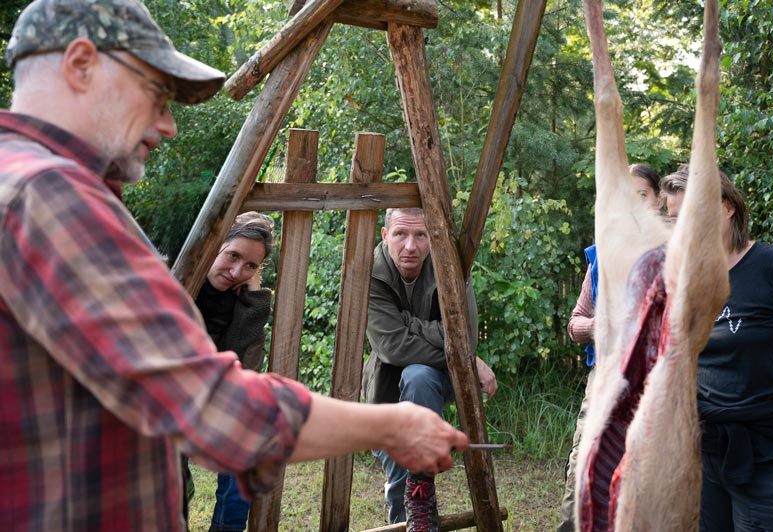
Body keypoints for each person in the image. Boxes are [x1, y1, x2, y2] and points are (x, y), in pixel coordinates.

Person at [0, 1, 467, 530]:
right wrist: (393, 426)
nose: (169, 125)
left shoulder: (18, 182)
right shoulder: (52, 199)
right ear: (81, 65)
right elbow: (209, 404)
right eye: (157, 95)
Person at [662, 165, 773, 531]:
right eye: (675, 220)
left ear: (727, 207)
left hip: (767, 455)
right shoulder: (687, 282)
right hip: (706, 453)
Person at [364, 207, 498, 531]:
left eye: (420, 235)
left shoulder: (448, 265)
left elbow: (464, 334)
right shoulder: (368, 271)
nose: (410, 246)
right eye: (400, 234)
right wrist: (463, 355)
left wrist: (409, 324)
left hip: (439, 379)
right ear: (385, 235)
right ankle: (411, 510)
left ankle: (421, 489)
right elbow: (392, 347)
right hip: (386, 386)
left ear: (431, 237)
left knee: (419, 375)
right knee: (398, 474)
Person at [556, 163, 661, 532]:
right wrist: (603, 325)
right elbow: (575, 324)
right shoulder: (601, 255)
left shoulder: (672, 253)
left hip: (655, 383)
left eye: (642, 196)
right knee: (585, 464)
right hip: (604, 377)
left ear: (659, 200)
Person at [182, 212, 275, 532]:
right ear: (213, 247)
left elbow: (246, 367)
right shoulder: (177, 280)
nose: (237, 271)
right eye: (232, 255)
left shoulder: (242, 301)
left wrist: (254, 302)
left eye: (250, 265)